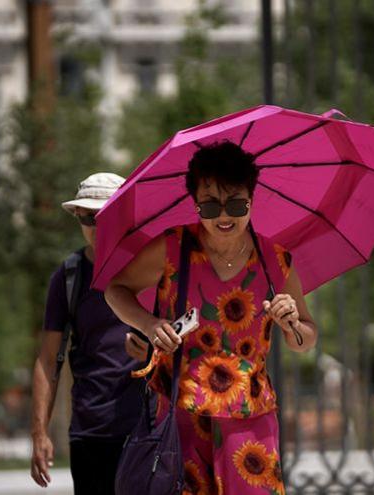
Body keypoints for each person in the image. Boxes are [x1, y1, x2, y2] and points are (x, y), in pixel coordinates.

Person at [106, 141, 318, 495]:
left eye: (236, 204)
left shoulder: (275, 260)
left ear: (251, 200)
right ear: (195, 203)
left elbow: (306, 339)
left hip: (252, 420)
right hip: (182, 417)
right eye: (210, 205)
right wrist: (148, 324)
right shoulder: (173, 247)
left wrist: (293, 324)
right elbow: (117, 290)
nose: (223, 216)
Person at [30, 172, 147, 495]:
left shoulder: (153, 268)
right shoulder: (67, 277)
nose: (95, 226)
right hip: (91, 430)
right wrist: (39, 433)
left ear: (123, 215)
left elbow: (184, 336)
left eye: (104, 215)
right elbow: (47, 362)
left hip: (146, 426)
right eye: (86, 217)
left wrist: (153, 352)